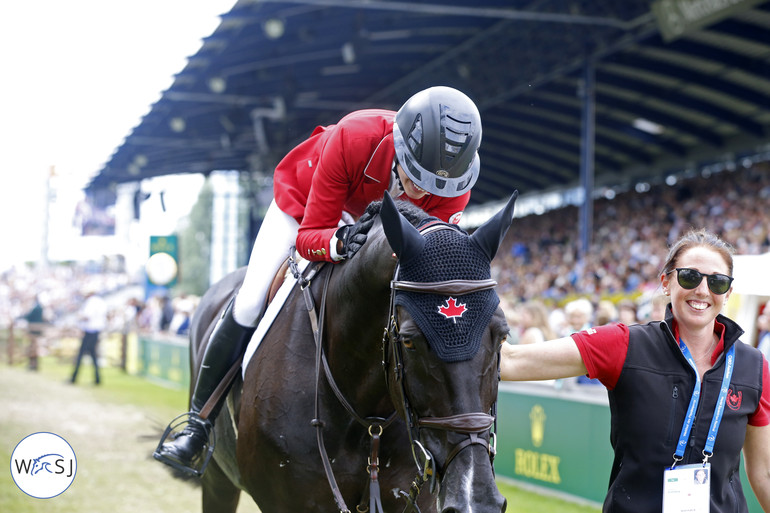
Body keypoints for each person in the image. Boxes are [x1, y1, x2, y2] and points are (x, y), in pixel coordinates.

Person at [155, 85, 484, 474]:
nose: (420, 191)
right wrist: (340, 242)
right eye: (415, 176)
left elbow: (425, 261)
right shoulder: (355, 136)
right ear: (398, 145)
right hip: (308, 207)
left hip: (375, 226)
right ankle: (197, 423)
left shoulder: (454, 187)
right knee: (250, 299)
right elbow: (310, 237)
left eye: (433, 186)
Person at [500, 228, 770, 512]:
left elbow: (764, 474)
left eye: (717, 282)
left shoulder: (753, 366)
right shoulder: (624, 344)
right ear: (666, 282)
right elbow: (510, 361)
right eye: (690, 276)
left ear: (727, 292)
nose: (702, 290)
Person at [70, 287, 108, 385]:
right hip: (95, 331)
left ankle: (74, 378)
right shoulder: (100, 301)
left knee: (81, 355)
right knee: (93, 356)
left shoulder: (91, 302)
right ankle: (97, 379)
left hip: (90, 331)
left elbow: (87, 316)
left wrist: (78, 316)